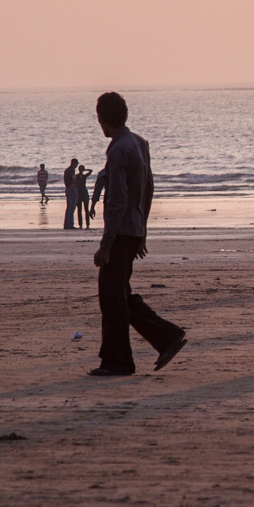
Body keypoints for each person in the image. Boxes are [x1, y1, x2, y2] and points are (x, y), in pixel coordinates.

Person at [90, 92, 187, 376]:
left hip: (121, 234)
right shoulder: (140, 144)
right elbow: (148, 189)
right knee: (118, 293)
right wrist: (141, 230)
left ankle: (118, 361)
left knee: (112, 297)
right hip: (133, 230)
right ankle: (165, 337)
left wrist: (105, 245)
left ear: (102, 120)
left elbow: (117, 200)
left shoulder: (119, 149)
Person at [63, 158, 79, 229]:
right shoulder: (72, 170)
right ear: (74, 164)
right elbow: (73, 177)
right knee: (72, 207)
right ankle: (70, 224)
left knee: (68, 207)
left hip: (67, 189)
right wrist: (74, 184)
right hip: (72, 189)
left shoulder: (66, 170)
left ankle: (66, 224)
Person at [74, 165, 91, 229]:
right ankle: (80, 224)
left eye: (82, 169)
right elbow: (74, 183)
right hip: (79, 193)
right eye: (80, 169)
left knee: (86, 209)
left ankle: (88, 224)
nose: (81, 170)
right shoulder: (76, 176)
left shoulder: (84, 176)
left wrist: (85, 169)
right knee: (79, 210)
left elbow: (91, 171)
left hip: (84, 192)